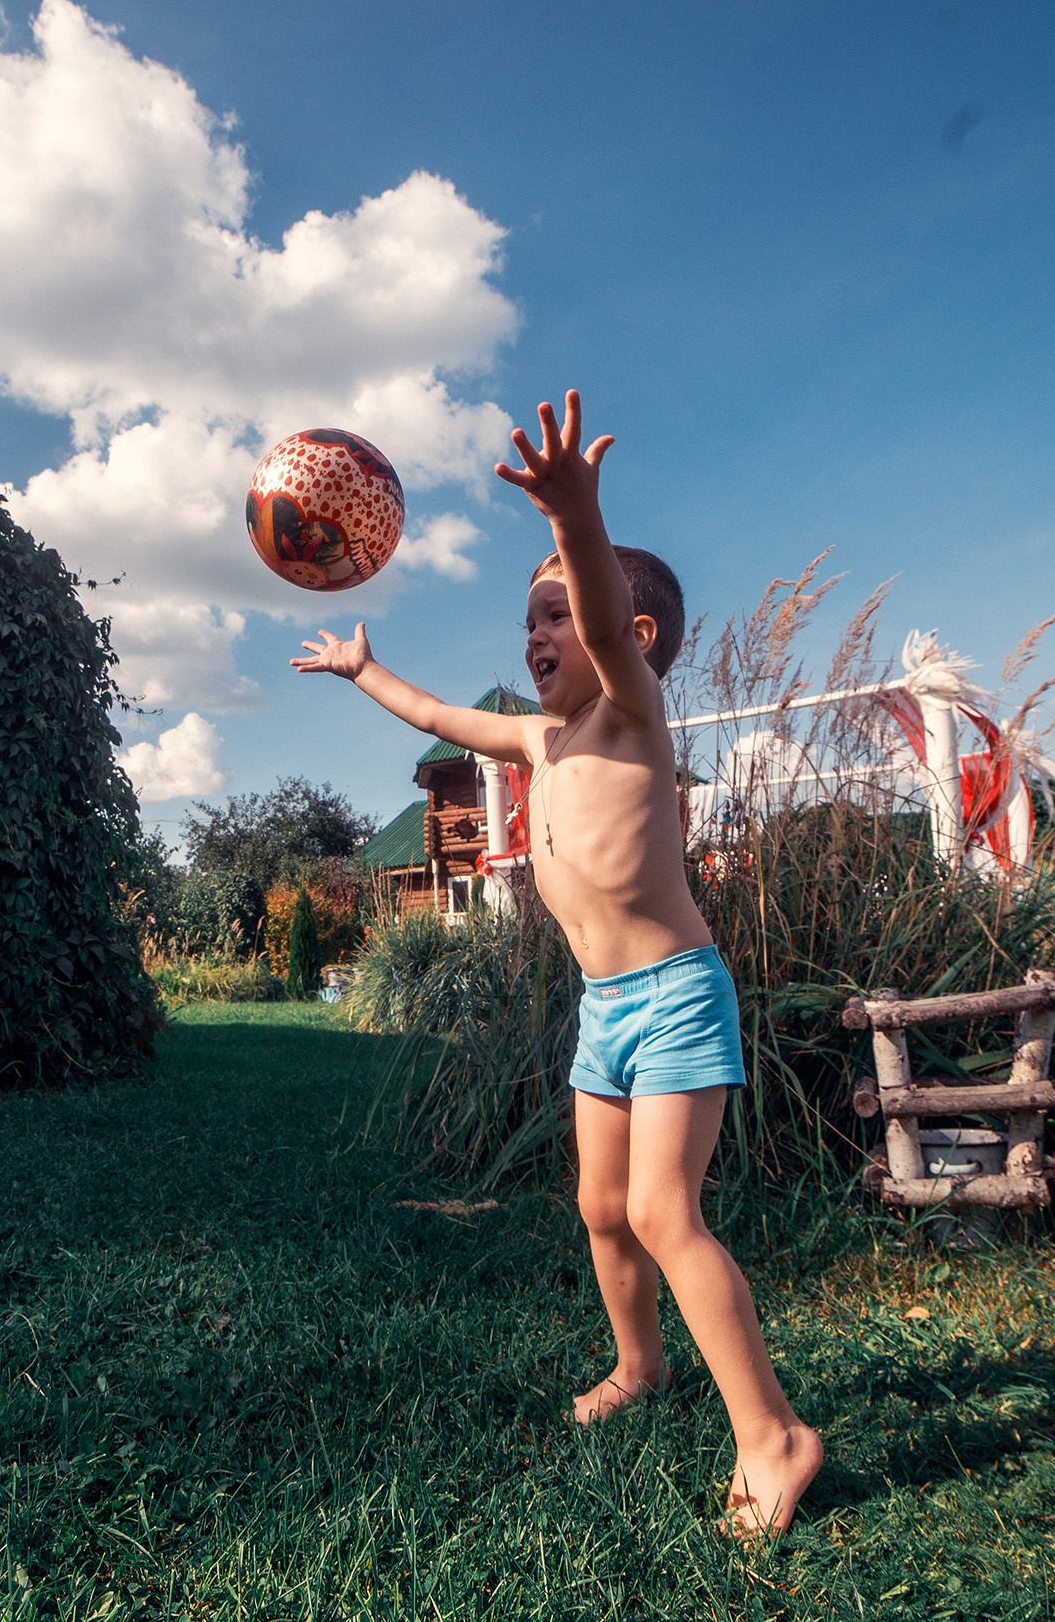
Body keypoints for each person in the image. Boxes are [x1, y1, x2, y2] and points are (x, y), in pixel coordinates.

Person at [290, 390, 824, 1540]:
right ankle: (642, 1366)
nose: (537, 637)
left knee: (663, 1212)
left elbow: (594, 587)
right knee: (598, 1209)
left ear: (628, 638)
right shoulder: (540, 736)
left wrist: (576, 517)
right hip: (603, 1011)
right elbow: (433, 708)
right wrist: (361, 672)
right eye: (526, 621)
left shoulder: (634, 717)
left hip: (677, 996)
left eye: (558, 616)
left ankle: (773, 1435)